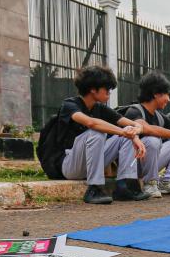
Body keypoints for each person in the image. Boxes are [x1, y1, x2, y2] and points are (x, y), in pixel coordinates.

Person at [42, 65, 149, 204]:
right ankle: (94, 188)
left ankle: (125, 186)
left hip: (91, 164)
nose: (109, 93)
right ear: (93, 89)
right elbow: (91, 123)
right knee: (96, 132)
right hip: (69, 165)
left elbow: (131, 124)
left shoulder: (99, 108)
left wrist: (135, 133)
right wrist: (124, 132)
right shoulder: (69, 105)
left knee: (125, 134)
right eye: (107, 89)